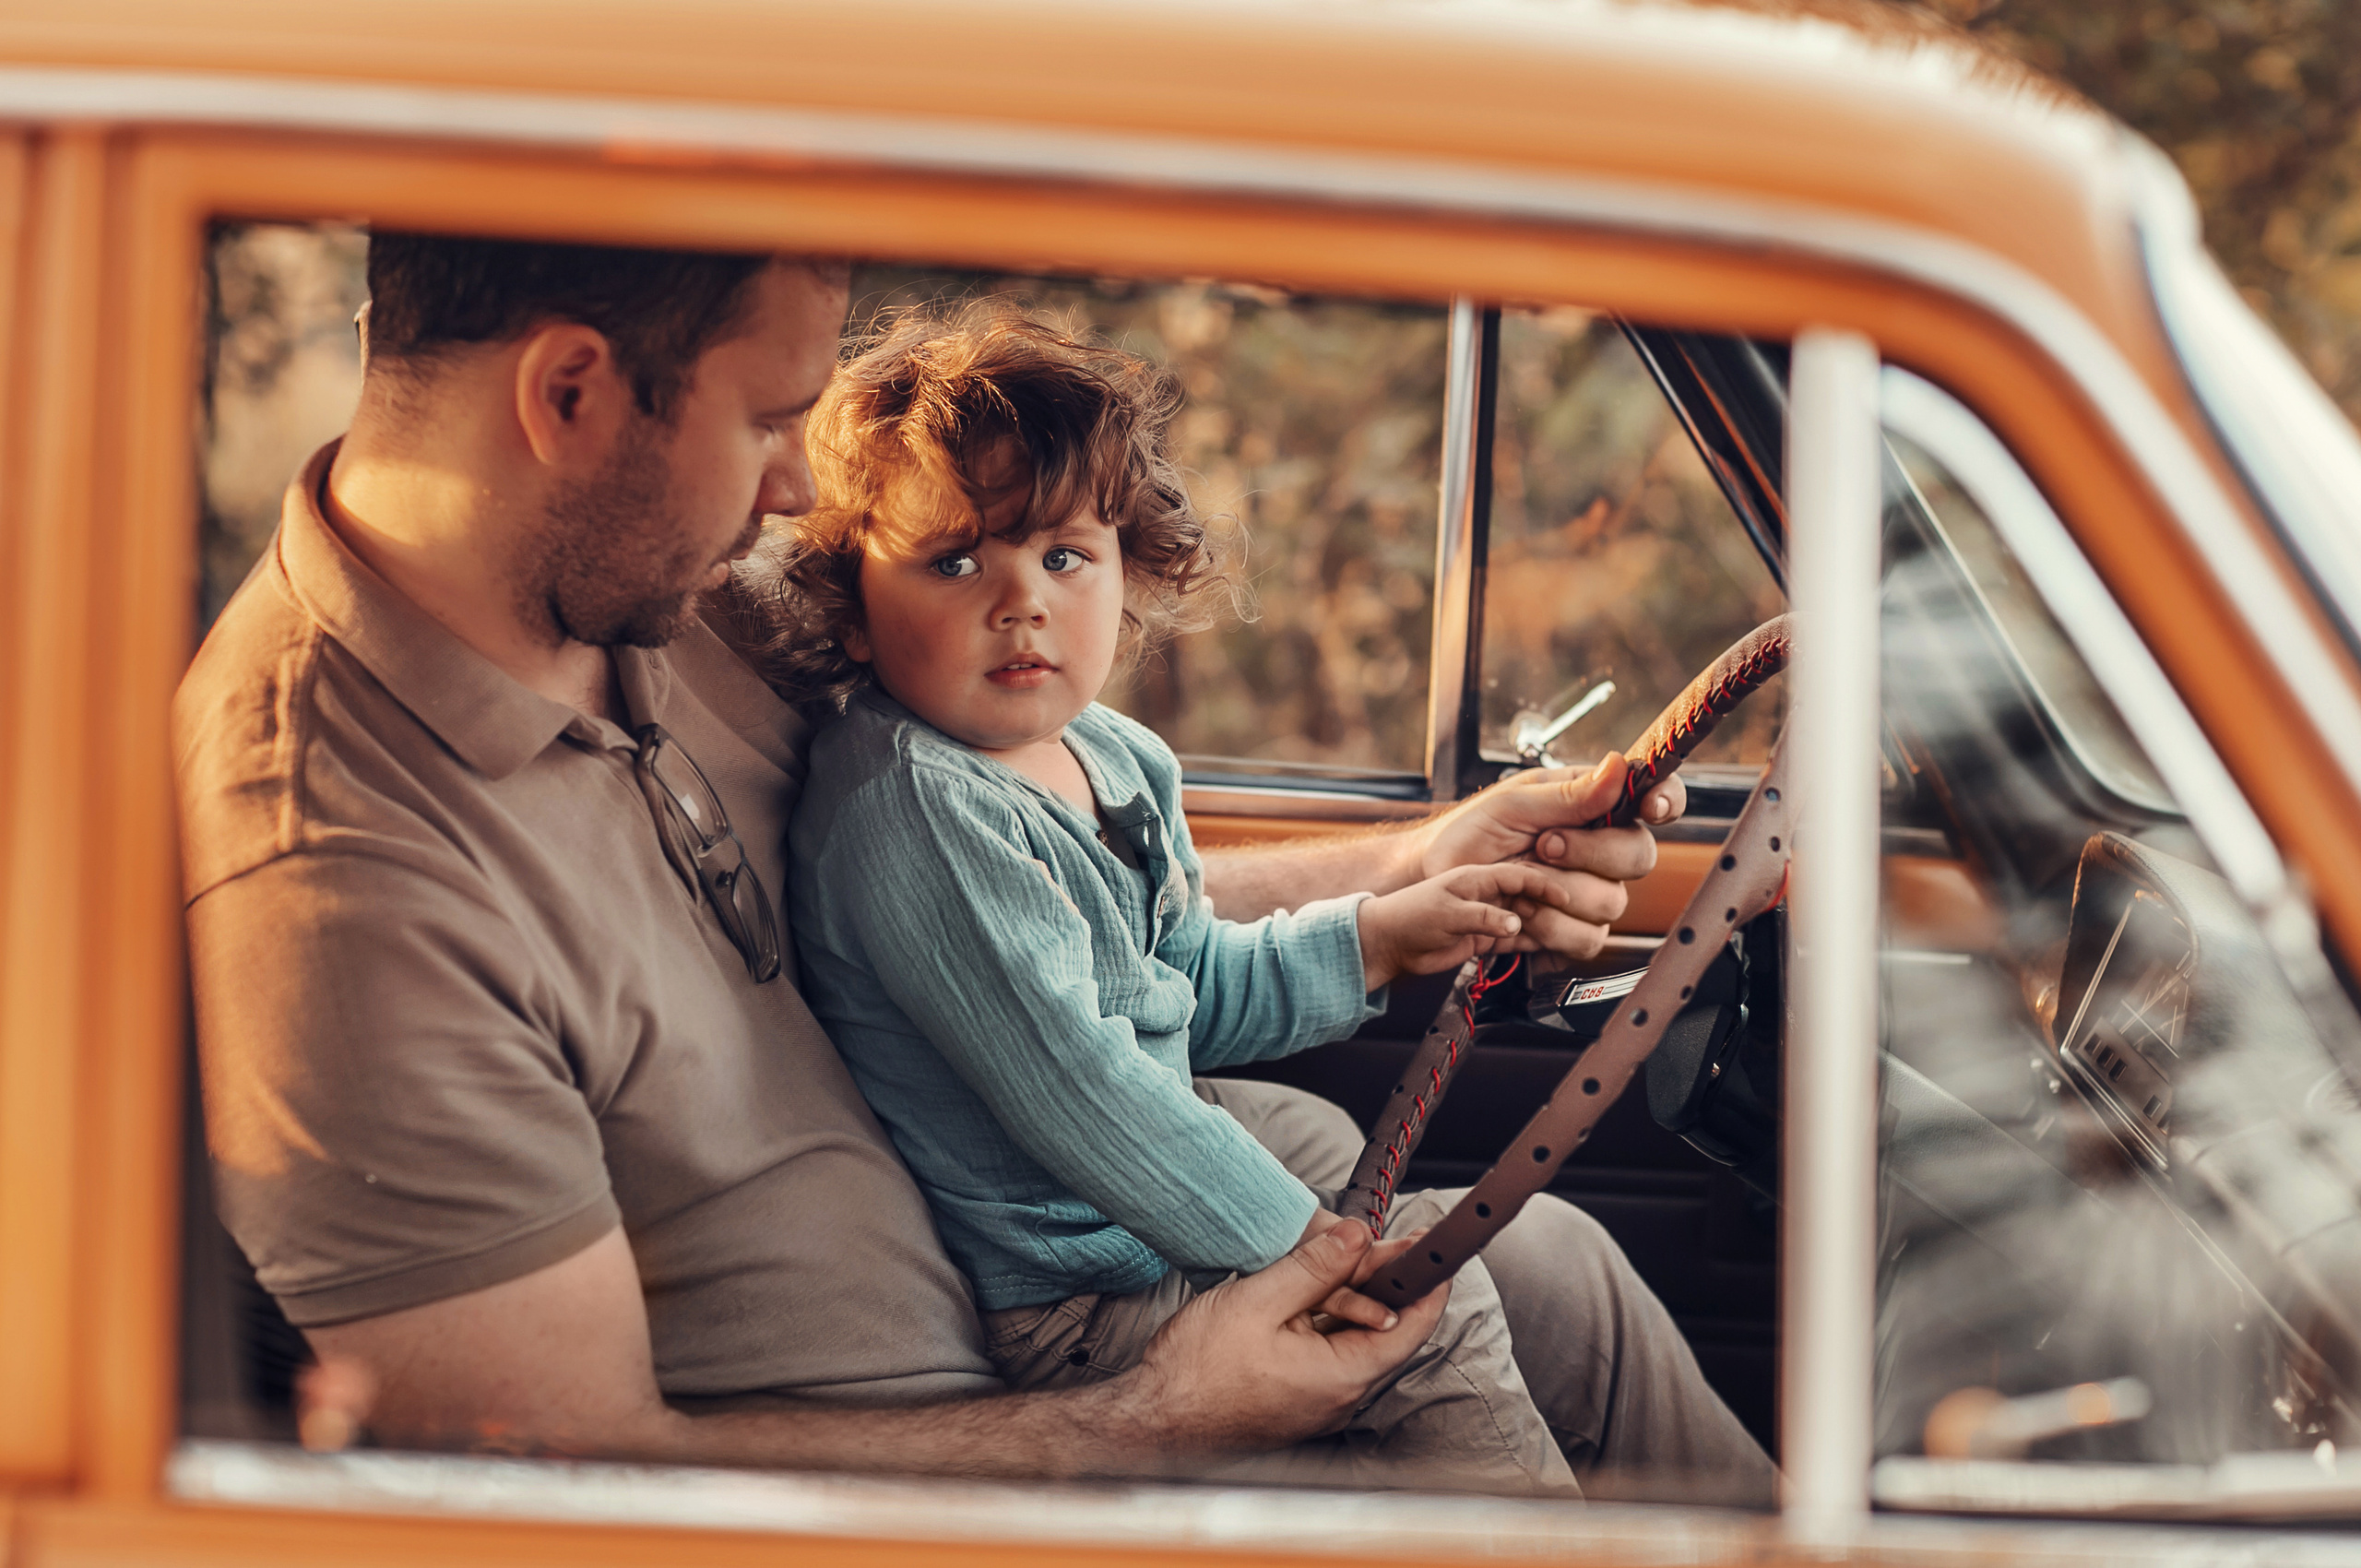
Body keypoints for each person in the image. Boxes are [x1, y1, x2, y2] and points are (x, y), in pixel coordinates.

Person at [175, 231, 1773, 1494]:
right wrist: (1158, 1418)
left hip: (1104, 1263)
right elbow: (558, 1489)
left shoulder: (674, 583)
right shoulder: (337, 888)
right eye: (769, 421)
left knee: (1555, 1261)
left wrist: (1423, 876)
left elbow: (1067, 916)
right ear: (573, 396)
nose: (800, 489)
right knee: (1444, 1351)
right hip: (994, 1456)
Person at [775, 304, 1583, 1495]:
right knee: (1438, 1325)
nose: (1022, 602)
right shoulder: (914, 809)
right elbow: (1082, 1087)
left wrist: (1382, 938)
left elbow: (1184, 981)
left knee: (1520, 1266)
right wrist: (1310, 1259)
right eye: (954, 561)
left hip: (1156, 1228)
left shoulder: (1110, 755)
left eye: (1063, 555)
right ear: (850, 602)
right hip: (1074, 1296)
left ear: (1130, 569)